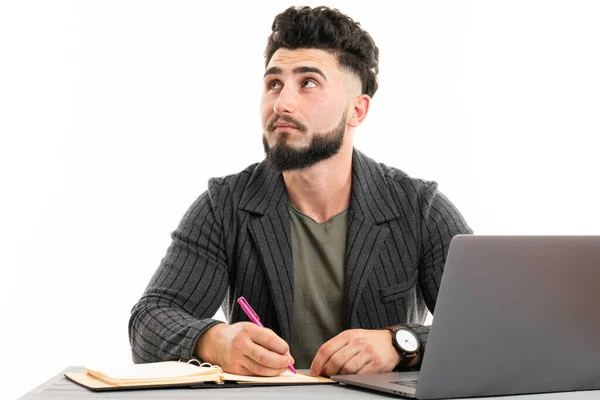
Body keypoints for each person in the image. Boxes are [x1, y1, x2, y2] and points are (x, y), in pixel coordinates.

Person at [128, 5, 471, 378]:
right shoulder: (224, 205)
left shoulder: (420, 208)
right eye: (274, 84)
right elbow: (148, 321)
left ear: (357, 110)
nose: (282, 103)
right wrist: (213, 339)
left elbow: (487, 327)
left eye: (308, 82)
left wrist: (401, 343)